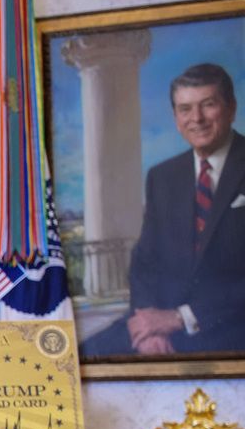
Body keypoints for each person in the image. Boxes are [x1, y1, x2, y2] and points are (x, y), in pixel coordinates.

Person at [82, 63, 245, 357]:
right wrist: (148, 325)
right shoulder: (163, 176)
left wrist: (181, 317)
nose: (196, 119)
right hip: (162, 323)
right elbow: (145, 261)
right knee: (80, 361)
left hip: (230, 324)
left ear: (231, 108)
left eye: (208, 105)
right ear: (175, 117)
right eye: (185, 109)